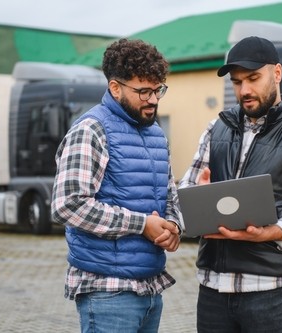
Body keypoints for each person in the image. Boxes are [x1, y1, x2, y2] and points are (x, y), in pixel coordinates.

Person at [178, 36, 282, 332]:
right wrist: (195, 200)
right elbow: (182, 199)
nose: (245, 90)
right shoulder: (216, 129)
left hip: (273, 295)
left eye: (253, 78)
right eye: (237, 82)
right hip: (213, 292)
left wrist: (271, 232)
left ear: (277, 74)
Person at [51, 38, 182, 333]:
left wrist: (174, 227)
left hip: (150, 289)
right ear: (115, 88)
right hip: (107, 293)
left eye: (158, 89)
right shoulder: (91, 130)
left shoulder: (156, 136)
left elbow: (169, 195)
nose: (153, 99)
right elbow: (68, 204)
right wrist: (141, 225)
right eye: (143, 91)